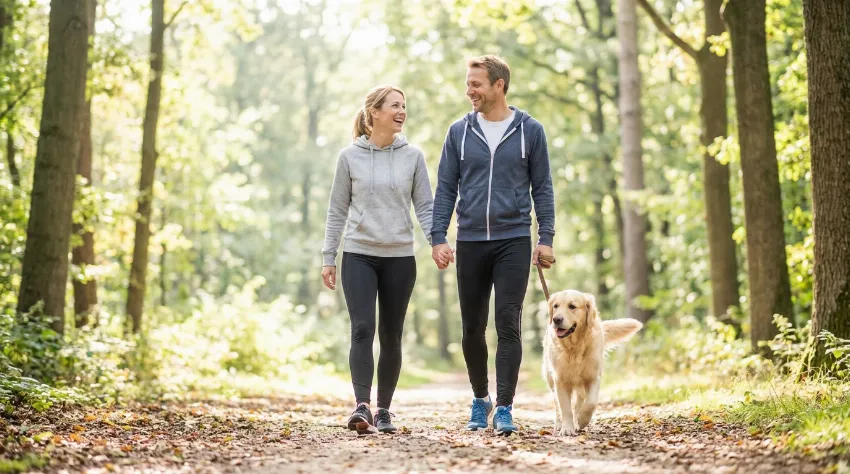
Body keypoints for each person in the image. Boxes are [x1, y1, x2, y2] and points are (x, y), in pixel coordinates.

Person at [431, 55, 556, 435]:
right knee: (472, 327)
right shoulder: (459, 131)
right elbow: (446, 188)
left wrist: (545, 238)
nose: (469, 91)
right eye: (468, 84)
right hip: (470, 239)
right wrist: (438, 236)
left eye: (476, 84)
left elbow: (543, 188)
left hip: (513, 239)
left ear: (499, 85)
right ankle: (480, 398)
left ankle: (504, 406)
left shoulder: (530, 131)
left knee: (507, 322)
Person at [321, 85, 434, 434]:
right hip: (359, 254)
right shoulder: (349, 157)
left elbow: (425, 206)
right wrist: (329, 256)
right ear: (375, 112)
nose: (402, 111)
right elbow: (337, 211)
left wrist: (438, 242)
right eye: (395, 105)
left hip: (400, 256)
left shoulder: (413, 156)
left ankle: (384, 410)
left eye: (404, 105)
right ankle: (362, 406)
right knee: (362, 328)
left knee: (391, 333)